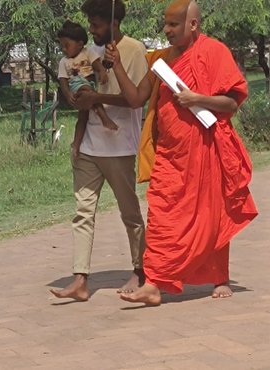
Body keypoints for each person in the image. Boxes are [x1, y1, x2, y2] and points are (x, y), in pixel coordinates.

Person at [104, 0, 258, 306]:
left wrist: (198, 98)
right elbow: (135, 99)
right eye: (166, 24)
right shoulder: (160, 61)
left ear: (193, 25)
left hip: (206, 150)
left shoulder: (214, 52)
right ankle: (155, 283)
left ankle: (220, 277)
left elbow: (231, 104)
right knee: (161, 212)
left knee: (210, 214)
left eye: (174, 24)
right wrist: (117, 64)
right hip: (171, 155)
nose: (167, 30)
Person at [50, 0, 148, 301]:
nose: (91, 30)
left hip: (119, 147)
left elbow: (136, 100)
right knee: (82, 212)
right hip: (90, 145)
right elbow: (79, 85)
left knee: (130, 213)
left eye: (96, 25)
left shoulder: (135, 50)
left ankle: (141, 269)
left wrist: (99, 95)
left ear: (113, 22)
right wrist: (78, 98)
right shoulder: (89, 51)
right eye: (90, 25)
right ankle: (80, 279)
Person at [57, 20, 118, 158]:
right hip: (77, 86)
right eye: (62, 46)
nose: (64, 49)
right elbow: (63, 81)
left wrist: (102, 72)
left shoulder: (88, 53)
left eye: (67, 45)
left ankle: (76, 144)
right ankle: (104, 118)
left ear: (79, 44)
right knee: (88, 92)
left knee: (82, 117)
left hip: (90, 85)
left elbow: (97, 65)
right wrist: (67, 95)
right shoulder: (64, 61)